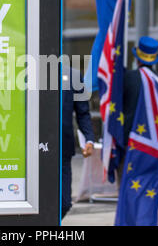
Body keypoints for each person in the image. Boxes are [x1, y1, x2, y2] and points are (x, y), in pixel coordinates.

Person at [115, 36, 158, 226]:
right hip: (153, 150)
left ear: (137, 58)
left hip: (129, 147)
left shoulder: (127, 79)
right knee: (148, 193)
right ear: (155, 58)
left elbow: (116, 109)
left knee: (127, 193)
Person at [61, 65, 95, 219]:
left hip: (62, 149)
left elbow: (82, 113)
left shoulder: (73, 75)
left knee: (64, 203)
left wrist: (89, 139)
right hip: (33, 149)